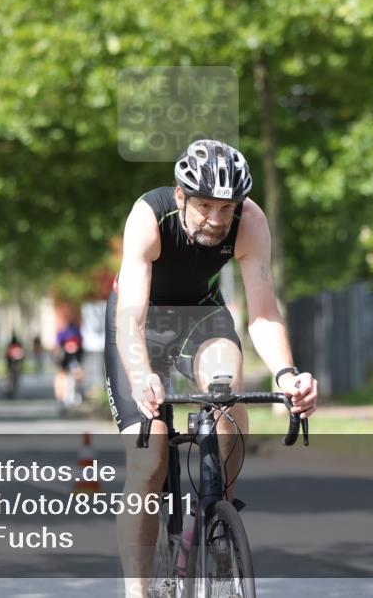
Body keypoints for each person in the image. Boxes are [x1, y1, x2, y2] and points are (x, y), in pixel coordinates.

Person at [104, 140, 318, 597]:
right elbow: (131, 319)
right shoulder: (149, 217)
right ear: (181, 196)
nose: (217, 219)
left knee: (227, 392)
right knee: (148, 459)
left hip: (200, 316)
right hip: (139, 322)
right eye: (205, 206)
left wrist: (286, 374)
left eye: (226, 207)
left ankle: (216, 515)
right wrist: (142, 376)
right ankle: (136, 591)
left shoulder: (250, 222)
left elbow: (263, 314)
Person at [53, 319, 85, 412]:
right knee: (66, 375)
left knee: (62, 376)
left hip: (68, 358)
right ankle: (66, 397)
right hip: (69, 358)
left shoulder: (63, 334)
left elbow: (57, 348)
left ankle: (62, 398)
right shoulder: (76, 334)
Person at [4, 333, 24, 399]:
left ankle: (10, 388)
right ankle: (11, 388)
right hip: (14, 364)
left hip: (12, 364)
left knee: (11, 377)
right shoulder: (17, 345)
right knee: (12, 377)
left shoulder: (11, 345)